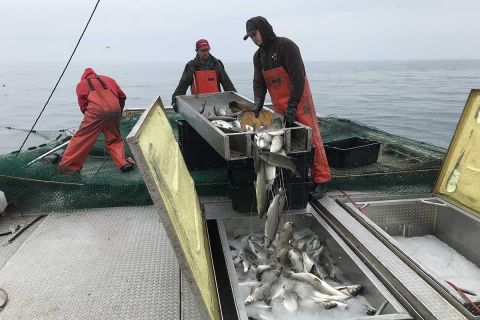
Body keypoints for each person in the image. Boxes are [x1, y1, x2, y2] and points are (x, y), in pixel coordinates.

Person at [243, 16, 331, 199]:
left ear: (263, 29)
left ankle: (322, 180)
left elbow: (298, 77)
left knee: (311, 139)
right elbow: (259, 82)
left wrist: (293, 106)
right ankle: (297, 177)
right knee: (287, 142)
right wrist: (258, 102)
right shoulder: (258, 56)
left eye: (254, 34)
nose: (253, 39)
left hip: (300, 102)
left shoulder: (286, 46)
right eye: (250, 37)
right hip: (280, 106)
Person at [58, 68, 135, 174]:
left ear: (84, 77)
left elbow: (83, 106)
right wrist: (118, 112)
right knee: (114, 138)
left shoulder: (81, 85)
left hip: (95, 112)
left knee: (82, 138)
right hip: (115, 109)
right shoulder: (109, 79)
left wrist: (92, 119)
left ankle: (68, 168)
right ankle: (123, 164)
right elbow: (122, 96)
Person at [171, 39, 237, 112]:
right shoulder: (191, 65)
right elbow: (182, 86)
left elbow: (227, 84)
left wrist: (236, 100)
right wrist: (175, 101)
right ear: (197, 51)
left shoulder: (217, 64)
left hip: (216, 102)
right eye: (202, 50)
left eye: (207, 50)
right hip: (198, 104)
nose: (205, 52)